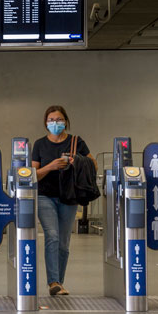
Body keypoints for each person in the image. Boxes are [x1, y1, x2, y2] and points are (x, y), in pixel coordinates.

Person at [31, 105, 96, 296]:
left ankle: (59, 281)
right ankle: (53, 282)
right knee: (52, 235)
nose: (55, 123)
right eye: (51, 120)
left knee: (63, 242)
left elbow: (93, 165)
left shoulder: (77, 142)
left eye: (59, 119)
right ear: (45, 123)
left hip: (69, 196)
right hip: (44, 196)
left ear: (66, 121)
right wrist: (50, 166)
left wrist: (77, 161)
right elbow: (33, 174)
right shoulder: (40, 144)